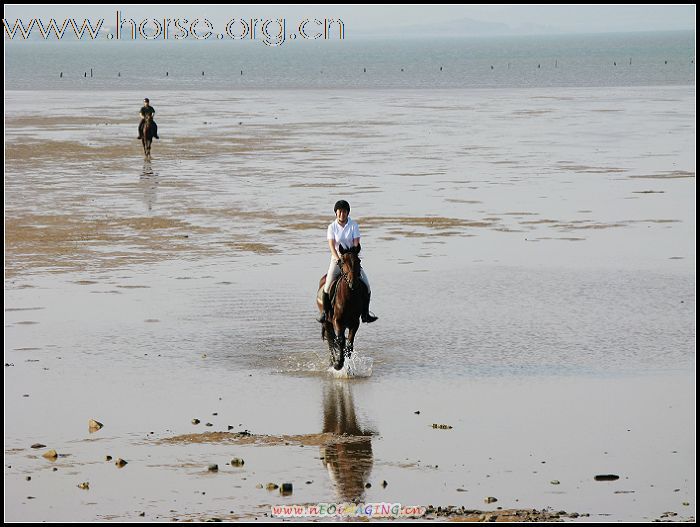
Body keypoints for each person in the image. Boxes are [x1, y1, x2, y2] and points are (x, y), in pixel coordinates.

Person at [318, 200, 378, 324]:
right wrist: (338, 259)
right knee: (328, 284)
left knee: (366, 285)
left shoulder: (353, 225)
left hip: (351, 259)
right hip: (337, 258)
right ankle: (324, 312)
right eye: (340, 211)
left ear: (348, 212)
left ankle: (365, 314)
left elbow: (356, 242)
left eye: (344, 211)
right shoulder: (332, 227)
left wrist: (354, 253)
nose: (342, 214)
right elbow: (332, 246)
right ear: (336, 213)